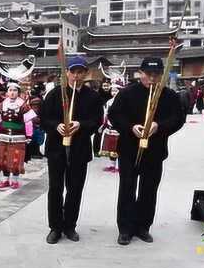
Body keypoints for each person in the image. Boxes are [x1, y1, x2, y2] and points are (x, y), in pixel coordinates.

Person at [108, 56, 185, 245]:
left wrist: (159, 126)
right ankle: (125, 229)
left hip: (155, 150)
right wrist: (130, 127)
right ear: (140, 73)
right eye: (148, 74)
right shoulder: (127, 93)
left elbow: (178, 118)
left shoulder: (169, 96)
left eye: (156, 74)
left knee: (149, 189)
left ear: (162, 75)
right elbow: (114, 115)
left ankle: (143, 226)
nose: (152, 78)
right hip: (129, 149)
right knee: (127, 188)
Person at [40, 56, 103, 244]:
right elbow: (43, 119)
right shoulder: (55, 94)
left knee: (75, 189)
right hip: (57, 150)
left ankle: (70, 226)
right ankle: (55, 227)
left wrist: (81, 125)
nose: (76, 76)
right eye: (73, 71)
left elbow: (96, 121)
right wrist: (56, 125)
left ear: (85, 74)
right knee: (56, 189)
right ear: (67, 72)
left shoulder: (92, 97)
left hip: (79, 149)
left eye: (80, 72)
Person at [0, 82, 36, 190]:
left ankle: (15, 180)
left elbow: (28, 122)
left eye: (15, 90)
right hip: (4, 136)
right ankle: (5, 180)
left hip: (18, 137)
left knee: (16, 158)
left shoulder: (23, 105)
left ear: (18, 93)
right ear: (7, 92)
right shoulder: (2, 104)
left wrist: (29, 135)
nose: (12, 93)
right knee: (3, 158)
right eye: (10, 90)